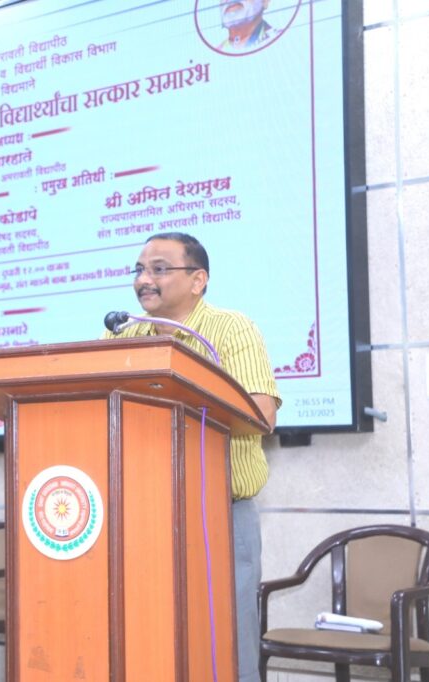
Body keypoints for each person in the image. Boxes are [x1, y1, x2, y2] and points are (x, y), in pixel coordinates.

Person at [103, 233, 281, 682]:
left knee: (225, 646)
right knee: (150, 643)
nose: (144, 280)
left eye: (159, 269)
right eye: (139, 270)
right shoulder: (121, 333)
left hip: (218, 517)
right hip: (141, 517)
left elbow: (261, 414)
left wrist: (180, 394)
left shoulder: (230, 329)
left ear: (198, 279)